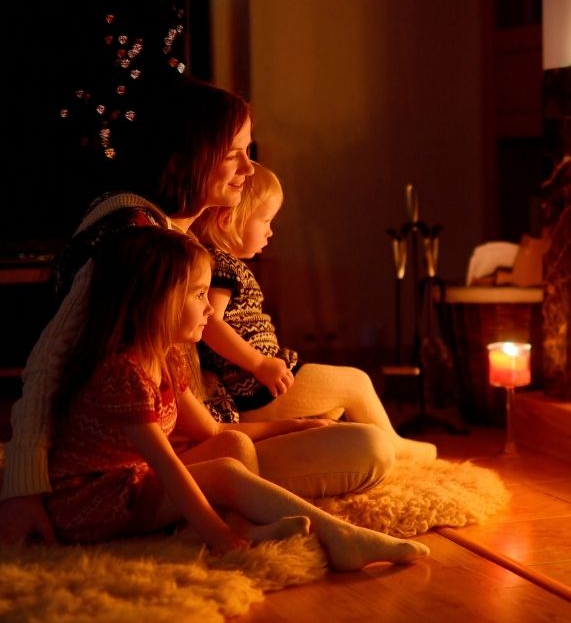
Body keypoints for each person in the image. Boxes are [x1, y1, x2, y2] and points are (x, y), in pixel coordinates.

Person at [0, 77, 389, 545]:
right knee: (365, 449)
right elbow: (47, 365)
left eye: (248, 150)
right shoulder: (132, 239)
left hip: (193, 424)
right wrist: (21, 489)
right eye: (233, 155)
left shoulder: (177, 227)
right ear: (181, 159)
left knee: (348, 425)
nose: (249, 168)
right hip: (130, 461)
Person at [46, 226, 428, 568]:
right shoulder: (121, 373)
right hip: (92, 501)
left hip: (131, 483)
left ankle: (245, 524)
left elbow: (212, 430)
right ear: (156, 301)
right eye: (198, 294)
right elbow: (167, 468)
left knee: (232, 442)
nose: (211, 309)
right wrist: (219, 538)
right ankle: (335, 537)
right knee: (224, 472)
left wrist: (294, 425)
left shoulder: (165, 358)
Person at [191, 163, 438, 462]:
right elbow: (210, 324)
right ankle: (395, 447)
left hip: (262, 381)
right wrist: (258, 363)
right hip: (257, 389)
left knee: (333, 407)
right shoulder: (220, 265)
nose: (270, 231)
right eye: (266, 220)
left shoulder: (221, 264)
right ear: (227, 220)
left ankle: (365, 449)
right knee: (356, 383)